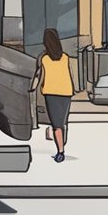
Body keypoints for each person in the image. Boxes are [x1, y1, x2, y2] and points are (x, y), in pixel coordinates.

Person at [33, 28, 75, 163]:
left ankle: (60, 151)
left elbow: (38, 75)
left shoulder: (44, 58)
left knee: (56, 124)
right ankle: (62, 142)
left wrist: (32, 88)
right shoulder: (65, 57)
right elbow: (71, 75)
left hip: (51, 93)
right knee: (62, 121)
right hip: (66, 92)